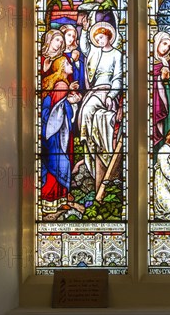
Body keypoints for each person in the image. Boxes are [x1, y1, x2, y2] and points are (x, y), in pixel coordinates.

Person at [78, 22, 122, 193]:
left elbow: (118, 77)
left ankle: (92, 142)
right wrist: (86, 31)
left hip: (107, 92)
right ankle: (89, 147)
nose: (99, 41)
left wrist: (112, 95)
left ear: (109, 36)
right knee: (85, 115)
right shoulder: (95, 52)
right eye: (96, 38)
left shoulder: (117, 54)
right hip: (94, 91)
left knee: (88, 111)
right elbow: (84, 48)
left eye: (101, 37)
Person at [41, 56, 81, 214]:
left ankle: (60, 199)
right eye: (68, 63)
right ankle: (50, 198)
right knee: (58, 163)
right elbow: (56, 110)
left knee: (60, 163)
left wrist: (71, 102)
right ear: (62, 67)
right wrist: (71, 103)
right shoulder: (62, 85)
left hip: (60, 130)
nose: (71, 65)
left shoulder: (64, 84)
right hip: (57, 133)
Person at [152, 31, 170, 149]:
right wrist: (158, 77)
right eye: (164, 44)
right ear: (157, 43)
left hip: (165, 101)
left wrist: (167, 79)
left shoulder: (168, 62)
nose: (166, 48)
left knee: (164, 129)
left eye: (169, 46)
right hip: (149, 100)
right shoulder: (147, 60)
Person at [60, 24, 86, 91]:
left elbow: (82, 71)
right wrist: (72, 59)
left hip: (76, 84)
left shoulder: (76, 51)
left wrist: (77, 61)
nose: (71, 38)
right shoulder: (58, 52)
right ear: (62, 34)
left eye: (73, 36)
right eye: (69, 35)